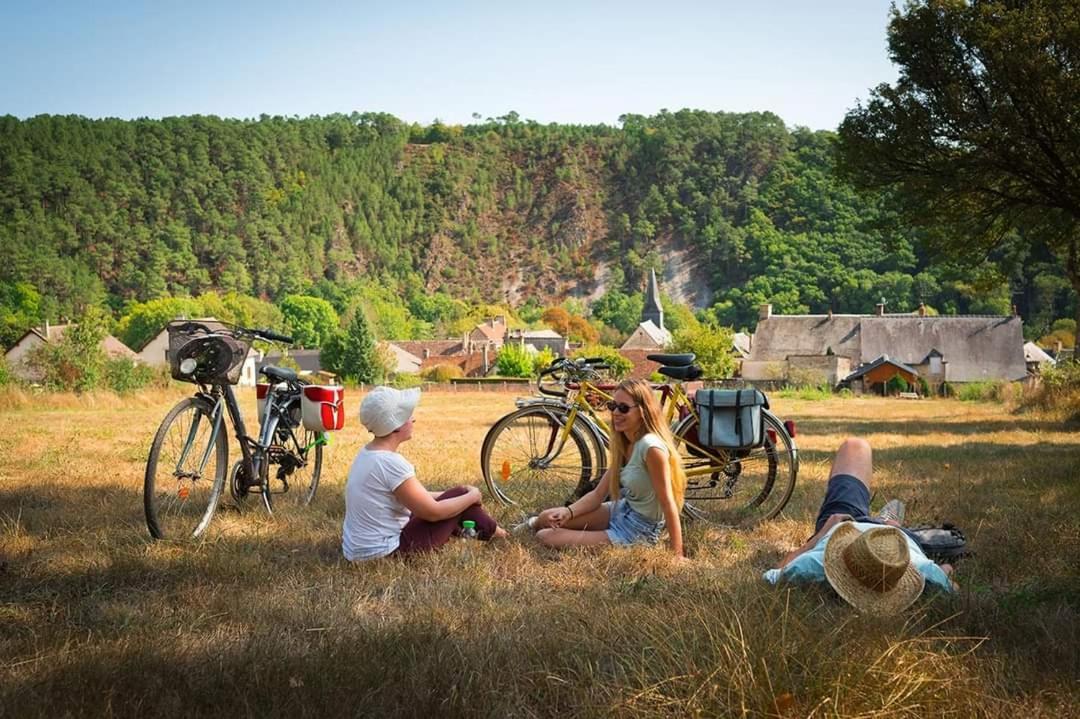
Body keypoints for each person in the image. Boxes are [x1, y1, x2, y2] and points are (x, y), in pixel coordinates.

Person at [764, 437, 956, 614]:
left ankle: (887, 522)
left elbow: (772, 576)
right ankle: (889, 522)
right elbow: (949, 577)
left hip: (844, 525)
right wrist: (944, 570)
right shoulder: (921, 570)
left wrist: (820, 536)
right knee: (857, 448)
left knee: (854, 445)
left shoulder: (815, 564)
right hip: (896, 539)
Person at [518, 378, 688, 559]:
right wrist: (568, 512)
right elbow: (598, 495)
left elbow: (668, 503)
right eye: (612, 405)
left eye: (623, 408)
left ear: (642, 411)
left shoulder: (651, 448)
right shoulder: (626, 443)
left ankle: (608, 538)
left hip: (638, 530)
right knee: (546, 517)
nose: (615, 412)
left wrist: (677, 555)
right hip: (621, 510)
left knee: (546, 537)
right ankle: (531, 523)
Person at [341, 386, 507, 562]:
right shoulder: (391, 464)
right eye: (408, 416)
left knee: (456, 496)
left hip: (357, 552)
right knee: (460, 496)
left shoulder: (367, 454)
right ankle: (500, 534)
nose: (413, 419)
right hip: (387, 553)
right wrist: (471, 496)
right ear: (395, 426)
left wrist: (451, 495)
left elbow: (414, 498)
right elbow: (433, 512)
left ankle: (488, 530)